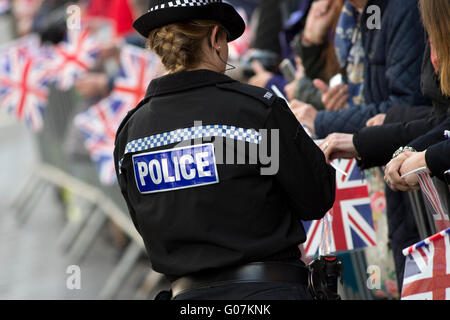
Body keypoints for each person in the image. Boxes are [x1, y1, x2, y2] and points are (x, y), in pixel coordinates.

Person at [114, 0, 336, 300]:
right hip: (269, 294)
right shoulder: (256, 111)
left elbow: (146, 223)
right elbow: (315, 198)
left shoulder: (130, 135)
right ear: (216, 38)